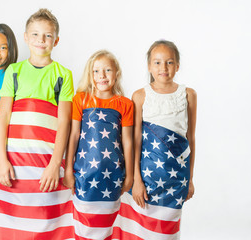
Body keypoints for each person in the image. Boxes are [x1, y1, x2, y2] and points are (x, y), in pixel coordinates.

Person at [0, 8, 74, 238]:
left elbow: (64, 122)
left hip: (45, 163)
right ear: (26, 37)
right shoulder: (14, 71)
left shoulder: (63, 75)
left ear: (56, 40)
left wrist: (54, 164)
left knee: (44, 221)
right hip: (15, 162)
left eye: (48, 35)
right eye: (36, 35)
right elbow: (3, 117)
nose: (41, 40)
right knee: (15, 221)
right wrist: (1, 160)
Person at [63, 50, 133, 239]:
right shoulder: (81, 100)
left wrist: (130, 175)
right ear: (90, 74)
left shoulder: (125, 104)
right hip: (84, 175)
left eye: (107, 70)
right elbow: (74, 135)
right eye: (96, 71)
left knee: (106, 226)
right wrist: (68, 170)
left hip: (113, 177)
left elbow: (127, 140)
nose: (101, 76)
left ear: (116, 73)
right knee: (85, 225)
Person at [131, 40, 197, 238]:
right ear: (149, 66)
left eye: (169, 62)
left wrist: (190, 179)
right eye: (157, 62)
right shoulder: (140, 96)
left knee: (168, 231)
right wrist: (136, 180)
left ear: (177, 65)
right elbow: (136, 141)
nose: (163, 68)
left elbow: (191, 138)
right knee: (145, 229)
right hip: (148, 176)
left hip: (177, 177)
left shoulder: (188, 94)